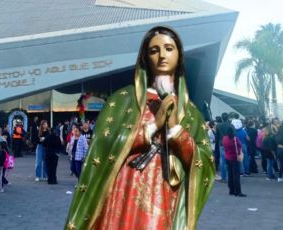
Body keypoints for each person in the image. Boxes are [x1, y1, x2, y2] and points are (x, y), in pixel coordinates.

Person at [66, 26, 214, 230]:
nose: (162, 55)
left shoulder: (191, 112)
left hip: (165, 195)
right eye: (154, 50)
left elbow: (205, 161)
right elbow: (103, 145)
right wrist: (153, 126)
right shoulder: (123, 100)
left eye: (169, 48)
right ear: (145, 57)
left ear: (179, 55)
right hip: (125, 192)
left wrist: (175, 131)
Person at [222, 127, 246, 197]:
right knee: (236, 176)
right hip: (235, 158)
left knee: (230, 174)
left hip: (227, 157)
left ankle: (231, 190)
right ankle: (238, 191)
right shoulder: (235, 139)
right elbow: (240, 145)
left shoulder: (224, 138)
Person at [216, 112, 234, 181]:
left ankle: (223, 177)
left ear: (222, 118)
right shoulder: (231, 125)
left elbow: (217, 136)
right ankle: (231, 177)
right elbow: (234, 134)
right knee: (231, 159)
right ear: (228, 117)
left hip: (222, 143)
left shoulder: (218, 125)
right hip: (230, 143)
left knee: (222, 161)